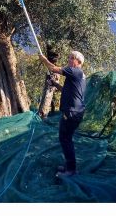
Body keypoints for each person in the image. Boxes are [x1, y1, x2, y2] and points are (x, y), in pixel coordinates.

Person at [39, 50, 86, 179]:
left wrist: (43, 60)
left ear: (78, 62)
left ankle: (71, 170)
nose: (69, 60)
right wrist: (54, 84)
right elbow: (66, 90)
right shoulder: (78, 75)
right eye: (69, 57)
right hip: (75, 112)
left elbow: (53, 68)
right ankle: (69, 166)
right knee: (66, 138)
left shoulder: (74, 71)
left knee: (65, 139)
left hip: (71, 112)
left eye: (72, 58)